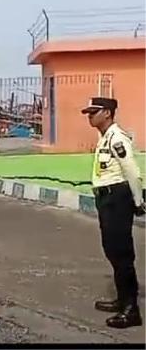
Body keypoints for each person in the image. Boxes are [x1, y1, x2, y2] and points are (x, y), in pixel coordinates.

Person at [83, 97, 144, 329]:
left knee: (122, 254)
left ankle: (131, 311)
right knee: (112, 251)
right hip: (107, 199)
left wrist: (138, 201)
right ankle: (122, 300)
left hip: (118, 199)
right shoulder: (104, 138)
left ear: (107, 113)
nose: (90, 116)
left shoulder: (117, 138)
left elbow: (132, 171)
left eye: (93, 112)